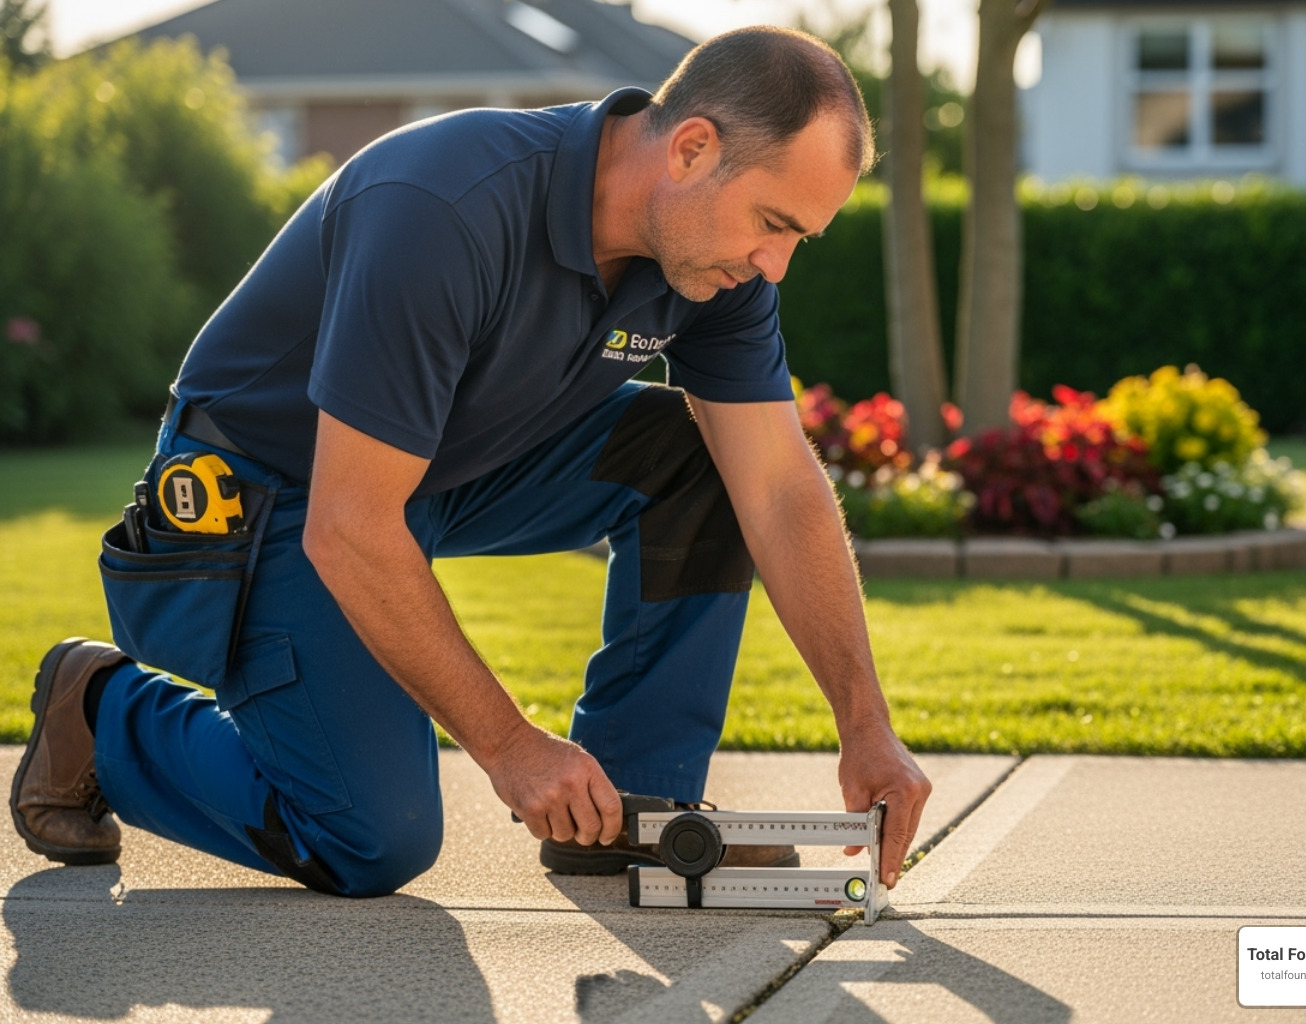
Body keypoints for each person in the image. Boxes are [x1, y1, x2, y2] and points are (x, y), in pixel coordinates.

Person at [10, 26, 931, 898]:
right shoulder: (442, 207)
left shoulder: (714, 266)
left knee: (704, 461)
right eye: (772, 222)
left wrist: (866, 727)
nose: (775, 267)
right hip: (278, 494)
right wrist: (511, 747)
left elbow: (774, 484)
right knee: (372, 839)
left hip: (454, 467)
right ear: (690, 149)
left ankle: (628, 812)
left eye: (797, 239)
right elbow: (350, 524)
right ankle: (101, 716)